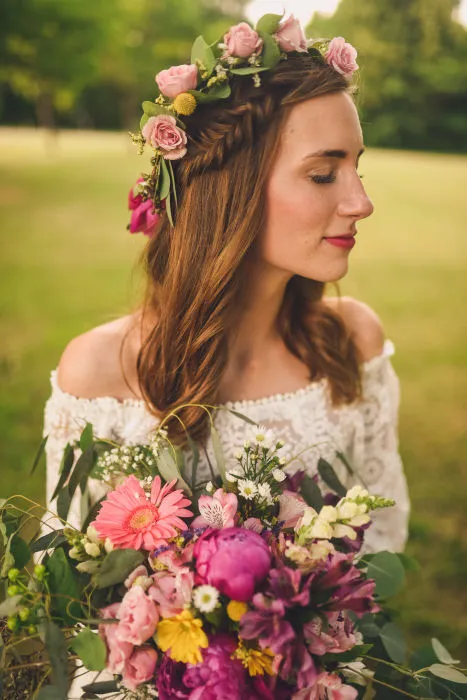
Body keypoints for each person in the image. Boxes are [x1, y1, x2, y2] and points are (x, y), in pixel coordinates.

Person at [44, 18, 409, 568]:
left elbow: (380, 552)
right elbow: (73, 597)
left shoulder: (352, 343)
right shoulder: (101, 374)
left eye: (356, 167)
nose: (362, 202)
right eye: (322, 174)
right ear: (231, 189)